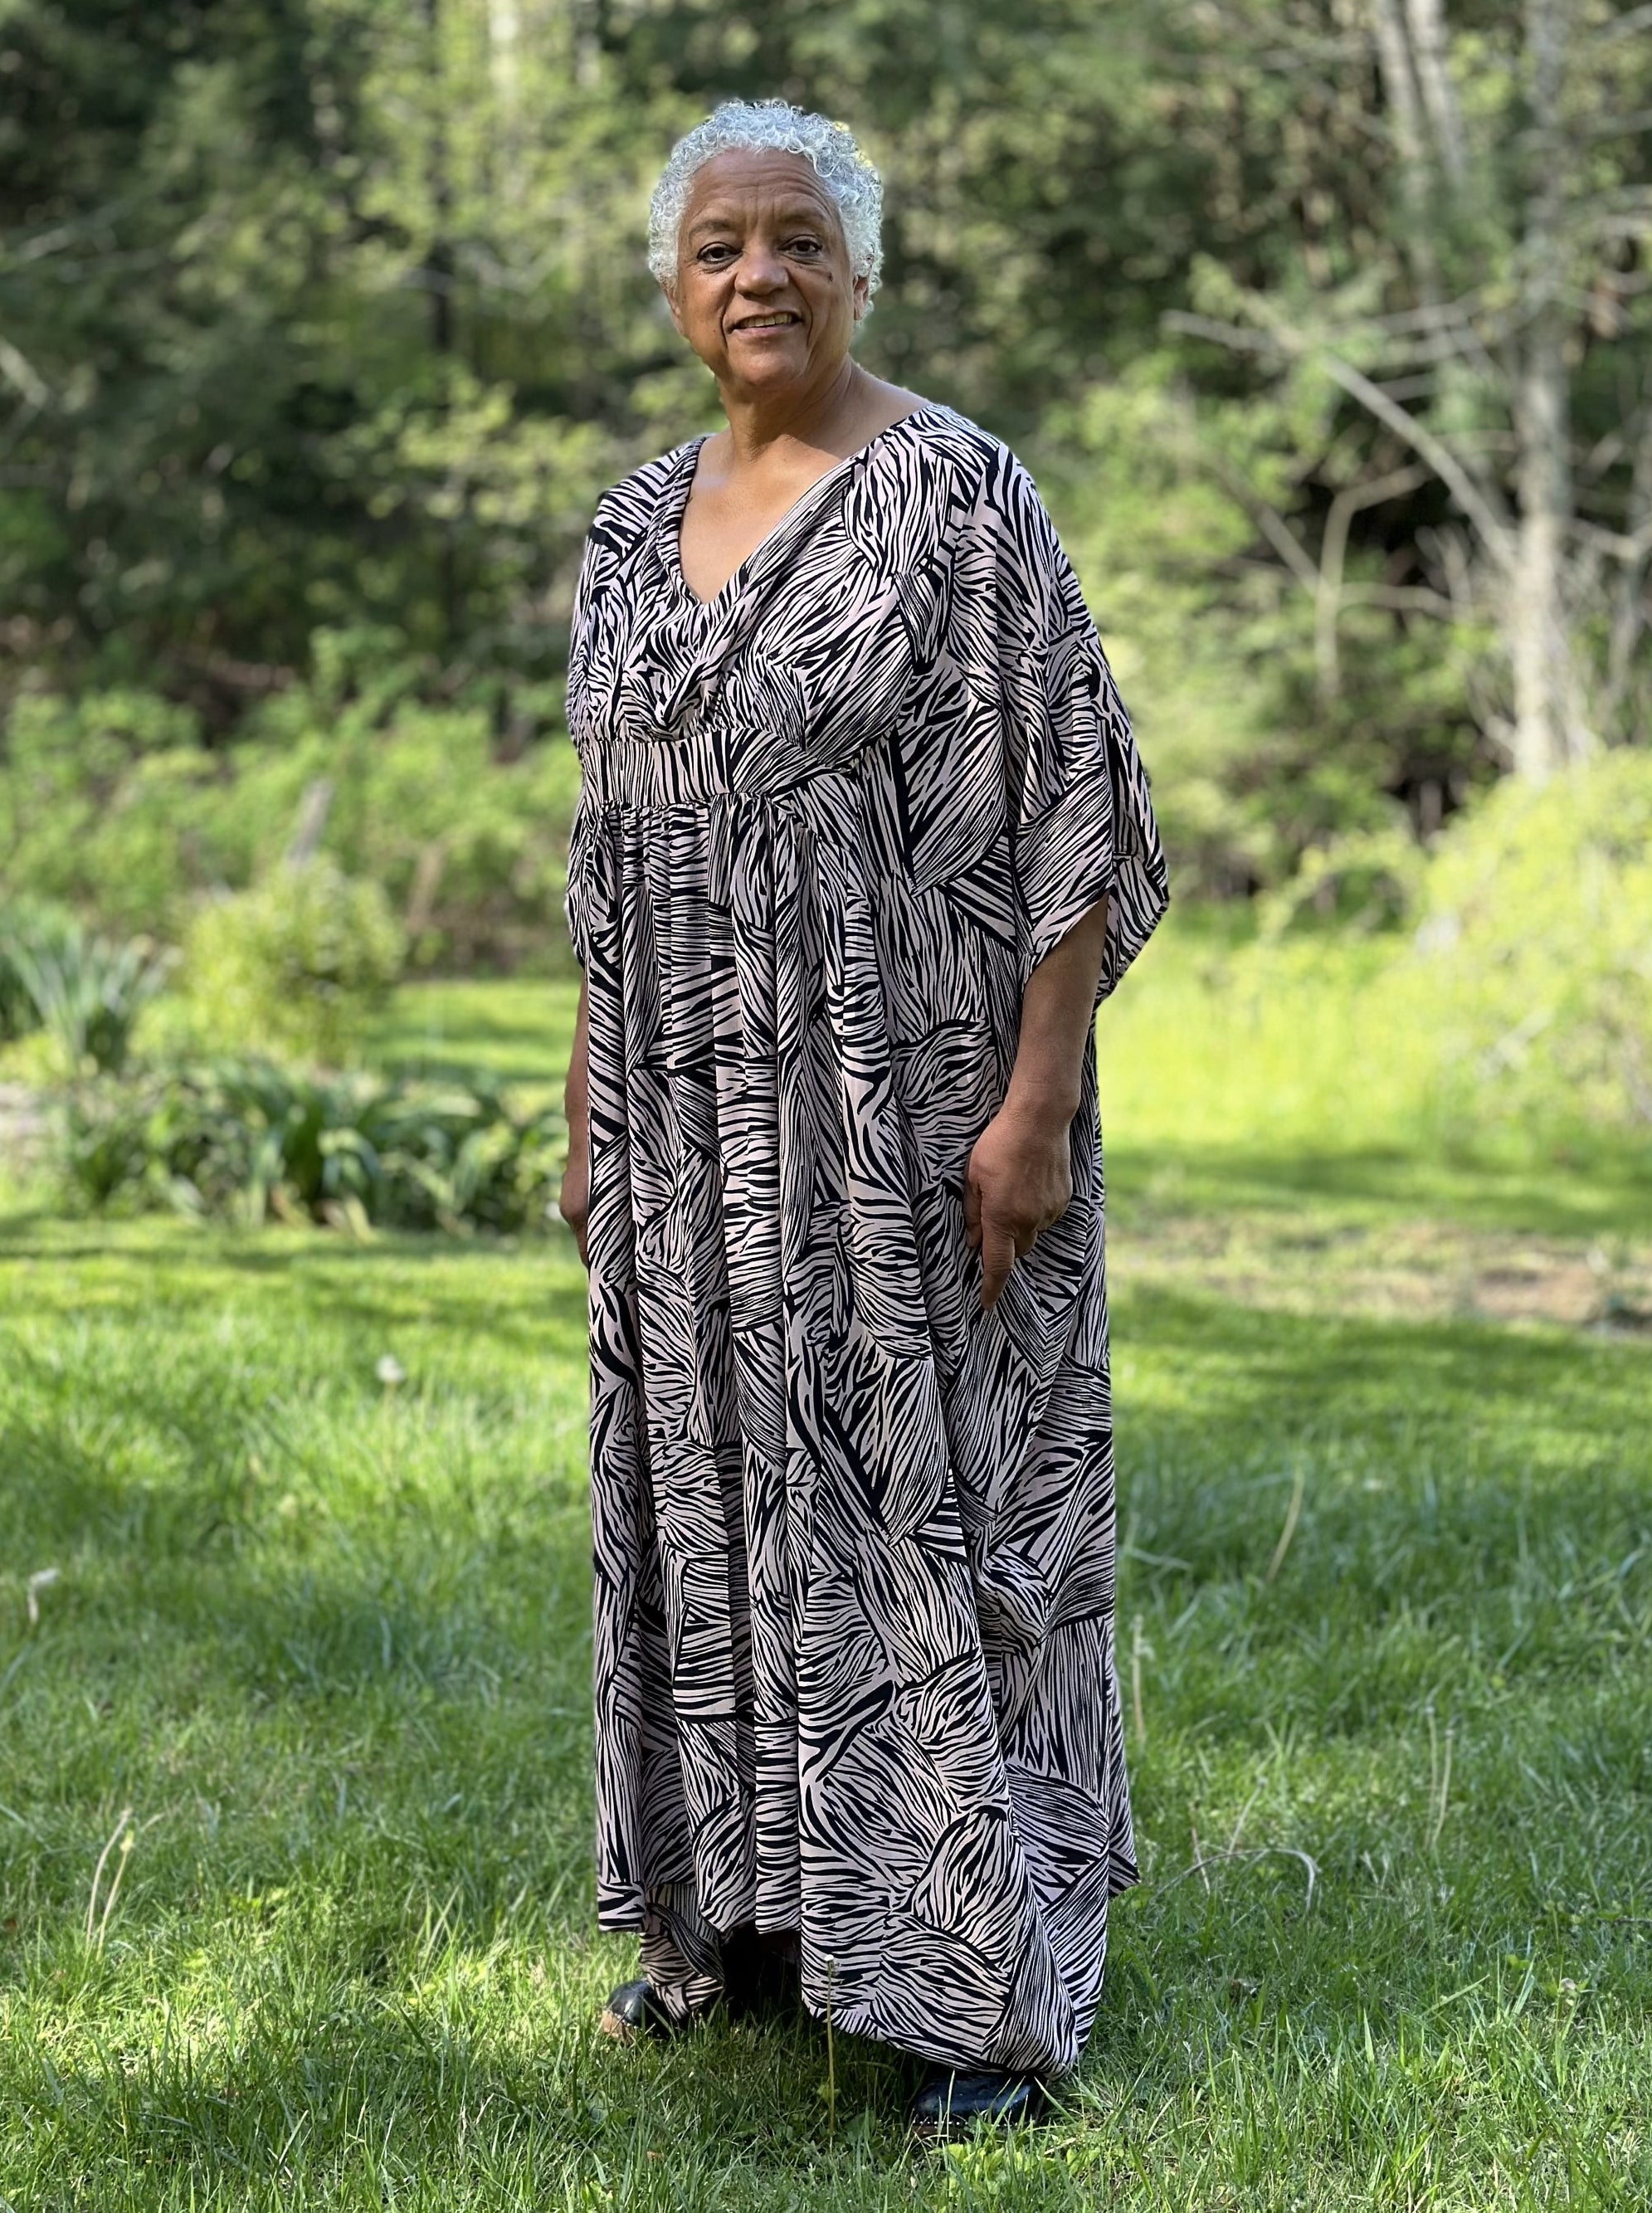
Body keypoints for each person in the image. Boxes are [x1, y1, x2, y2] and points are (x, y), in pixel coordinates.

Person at [558, 97, 1168, 2137]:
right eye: (721, 243)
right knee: (711, 1510)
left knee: (919, 1521)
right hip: (681, 1137)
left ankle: (965, 1997)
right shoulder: (628, 532)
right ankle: (746, 1924)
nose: (759, 275)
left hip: (910, 1123)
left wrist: (1040, 1098)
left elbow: (1078, 808)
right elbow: (607, 857)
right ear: (672, 281)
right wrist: (585, 1117)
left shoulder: (956, 492)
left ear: (859, 268)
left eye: (798, 239)